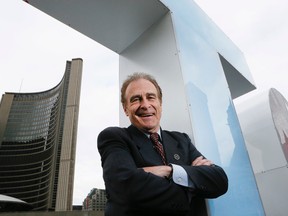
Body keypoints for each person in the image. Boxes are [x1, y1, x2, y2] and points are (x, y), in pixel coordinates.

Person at [97, 72, 228, 216]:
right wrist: (191, 183)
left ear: (160, 104)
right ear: (125, 109)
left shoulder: (181, 140)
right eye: (136, 99)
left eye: (151, 97)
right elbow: (124, 188)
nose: (146, 105)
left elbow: (219, 180)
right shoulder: (114, 137)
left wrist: (170, 171)